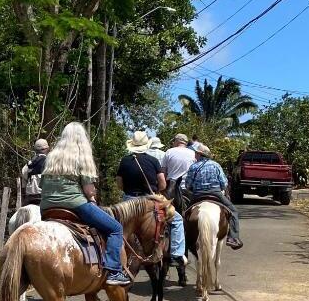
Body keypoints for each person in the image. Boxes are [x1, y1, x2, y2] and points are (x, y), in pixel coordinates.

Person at [40, 122, 132, 286]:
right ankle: (113, 271)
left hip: (47, 207)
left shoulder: (51, 156)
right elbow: (89, 191)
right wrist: (92, 199)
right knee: (115, 228)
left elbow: (43, 185)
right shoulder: (81, 157)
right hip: (75, 204)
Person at [117, 132, 187, 267]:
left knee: (117, 225)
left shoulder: (124, 161)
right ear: (146, 145)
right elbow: (162, 183)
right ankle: (176, 254)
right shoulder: (153, 161)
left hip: (129, 200)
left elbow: (119, 184)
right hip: (148, 200)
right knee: (177, 220)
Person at [186, 144, 244, 249]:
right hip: (215, 193)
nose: (195, 154)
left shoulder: (193, 166)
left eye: (196, 153)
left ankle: (185, 239)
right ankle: (233, 238)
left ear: (199, 154)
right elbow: (224, 183)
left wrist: (194, 189)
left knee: (185, 214)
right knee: (233, 211)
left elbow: (188, 185)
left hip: (197, 194)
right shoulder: (216, 165)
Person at [21, 139, 50, 206]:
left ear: (35, 150)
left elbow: (23, 186)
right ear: (47, 149)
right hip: (44, 197)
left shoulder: (28, 164)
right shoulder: (50, 163)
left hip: (30, 198)